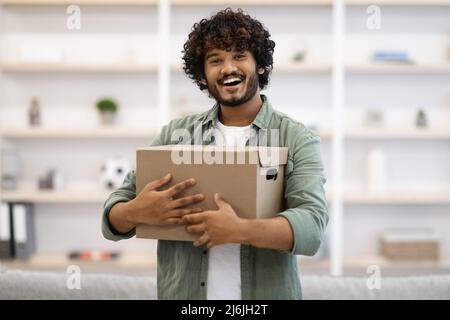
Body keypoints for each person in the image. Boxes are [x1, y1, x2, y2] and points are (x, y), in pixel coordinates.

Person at [102, 8, 328, 300]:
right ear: (203, 74)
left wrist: (240, 230)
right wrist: (138, 211)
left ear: (259, 65)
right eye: (215, 60)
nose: (227, 68)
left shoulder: (297, 138)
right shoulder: (174, 135)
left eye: (239, 56)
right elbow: (112, 217)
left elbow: (311, 228)